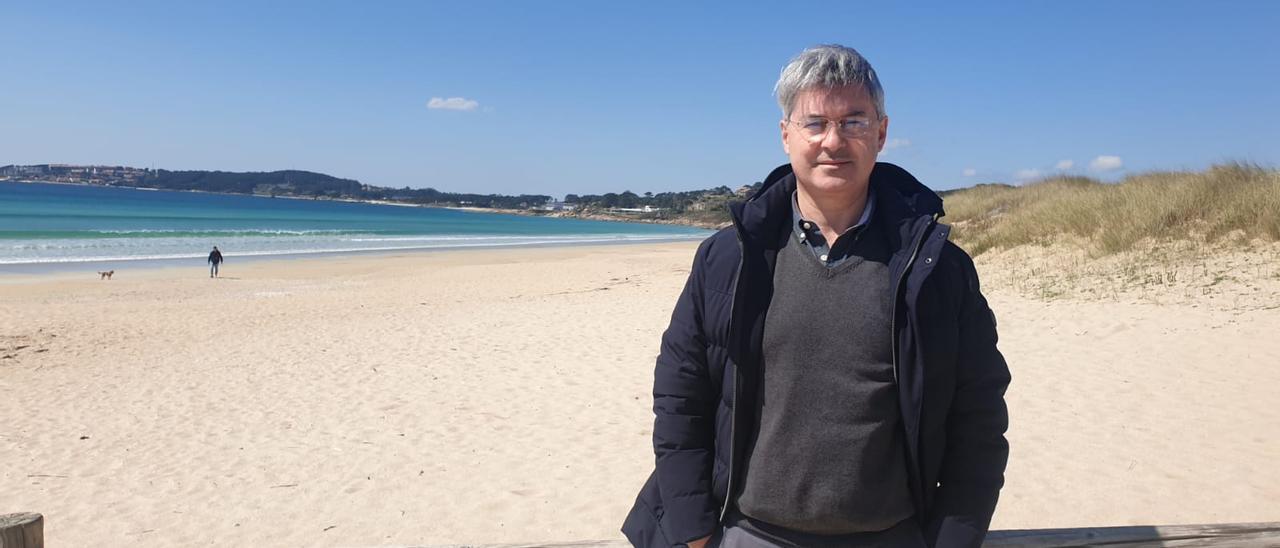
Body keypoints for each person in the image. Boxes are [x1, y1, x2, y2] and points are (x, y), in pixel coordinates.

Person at [622, 45, 1010, 548]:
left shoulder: (937, 268)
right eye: (815, 123)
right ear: (786, 135)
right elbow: (680, 396)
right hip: (746, 532)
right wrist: (692, 527)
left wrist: (955, 538)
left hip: (893, 535)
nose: (834, 140)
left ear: (882, 133)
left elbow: (978, 416)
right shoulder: (729, 257)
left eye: (854, 121)